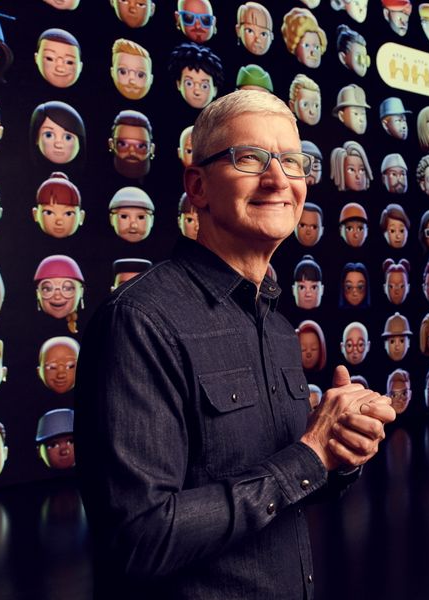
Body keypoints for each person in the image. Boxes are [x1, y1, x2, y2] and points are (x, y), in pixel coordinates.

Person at [76, 90, 395, 599]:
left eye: (293, 162)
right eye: (250, 159)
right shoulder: (139, 321)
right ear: (197, 186)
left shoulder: (274, 322)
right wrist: (309, 456)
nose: (278, 180)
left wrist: (339, 451)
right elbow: (138, 539)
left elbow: (284, 486)